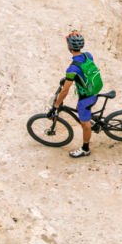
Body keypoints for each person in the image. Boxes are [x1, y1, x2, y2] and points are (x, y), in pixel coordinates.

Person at [50, 30, 102, 158]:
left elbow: (65, 91)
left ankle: (85, 149)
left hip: (86, 98)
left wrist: (56, 105)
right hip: (94, 89)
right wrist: (69, 78)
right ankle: (91, 122)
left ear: (69, 47)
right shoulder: (88, 55)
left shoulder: (72, 68)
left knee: (85, 124)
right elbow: (84, 72)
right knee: (82, 113)